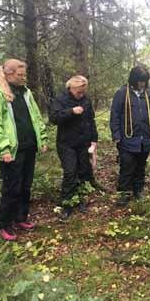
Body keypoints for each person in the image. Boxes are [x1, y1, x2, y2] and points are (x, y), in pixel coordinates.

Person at [0, 59, 48, 241]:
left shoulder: (26, 93)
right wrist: (3, 147)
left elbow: (35, 116)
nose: (23, 78)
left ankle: (20, 218)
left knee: (26, 186)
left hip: (29, 147)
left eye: (24, 74)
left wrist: (41, 139)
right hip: (11, 151)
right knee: (12, 188)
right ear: (8, 74)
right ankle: (3, 223)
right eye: (20, 75)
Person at [110, 65, 150, 206]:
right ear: (133, 80)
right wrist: (116, 134)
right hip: (127, 138)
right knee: (127, 167)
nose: (142, 84)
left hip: (145, 139)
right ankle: (123, 194)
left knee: (140, 166)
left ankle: (138, 191)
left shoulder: (147, 94)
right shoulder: (122, 93)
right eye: (140, 81)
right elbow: (114, 115)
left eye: (144, 81)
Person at [49, 75, 99, 218]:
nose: (81, 94)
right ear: (71, 88)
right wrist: (71, 111)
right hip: (66, 144)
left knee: (83, 171)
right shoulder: (61, 99)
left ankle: (80, 199)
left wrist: (94, 140)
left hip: (83, 143)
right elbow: (53, 118)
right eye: (79, 92)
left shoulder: (86, 101)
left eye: (83, 91)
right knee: (70, 173)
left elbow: (91, 121)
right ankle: (67, 203)